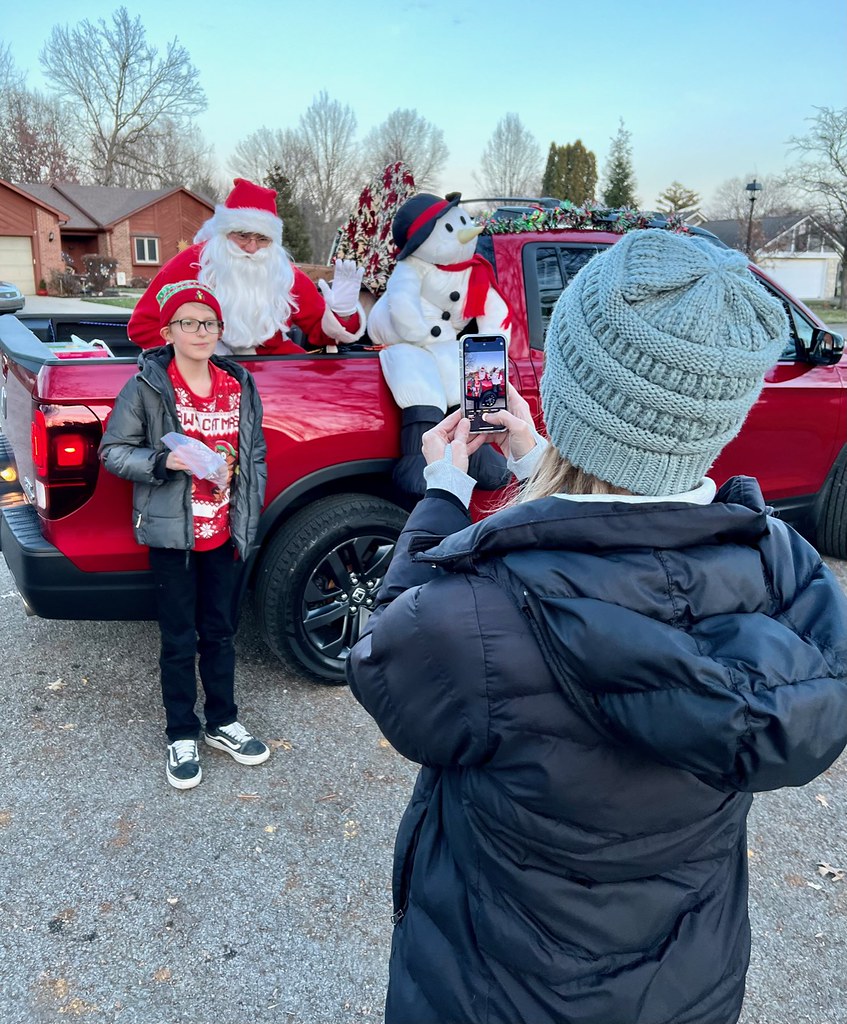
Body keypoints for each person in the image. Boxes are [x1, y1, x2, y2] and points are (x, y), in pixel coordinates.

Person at [346, 229, 847, 1024]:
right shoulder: (784, 568)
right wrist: (541, 460)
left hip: (495, 992)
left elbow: (380, 662)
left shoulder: (471, 617)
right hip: (682, 985)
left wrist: (441, 492)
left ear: (572, 392)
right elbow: (636, 533)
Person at [101, 280, 270, 791]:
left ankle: (222, 722)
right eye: (189, 322)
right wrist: (163, 459)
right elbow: (112, 451)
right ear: (168, 330)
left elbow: (254, 455)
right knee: (178, 639)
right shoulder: (149, 387)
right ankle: (181, 732)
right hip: (173, 539)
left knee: (219, 632)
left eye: (210, 323)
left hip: (222, 532)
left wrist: (248, 517)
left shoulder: (238, 385)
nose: (201, 331)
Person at [129, 178, 366, 356]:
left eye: (262, 239)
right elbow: (143, 326)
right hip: (203, 371)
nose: (252, 248)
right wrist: (197, 356)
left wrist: (343, 314)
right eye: (243, 236)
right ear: (224, 233)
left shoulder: (282, 272)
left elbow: (320, 330)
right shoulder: (191, 264)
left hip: (272, 367)